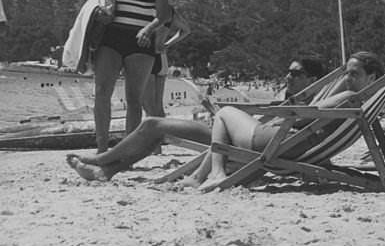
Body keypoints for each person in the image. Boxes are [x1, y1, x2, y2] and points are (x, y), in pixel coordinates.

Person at [66, 58, 330, 183]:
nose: (288, 77)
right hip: (228, 133)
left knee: (152, 126)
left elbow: (293, 137)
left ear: (313, 78)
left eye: (297, 73)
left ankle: (103, 161)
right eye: (288, 71)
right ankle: (106, 170)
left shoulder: (313, 107)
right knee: (154, 127)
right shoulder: (296, 103)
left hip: (235, 141)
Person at [187, 51, 384, 191]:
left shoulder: (348, 96)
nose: (348, 79)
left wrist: (279, 118)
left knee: (225, 112)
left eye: (354, 74)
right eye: (347, 73)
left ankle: (215, 173)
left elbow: (304, 115)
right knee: (228, 120)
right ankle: (197, 176)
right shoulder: (364, 103)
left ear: (371, 77)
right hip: (299, 146)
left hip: (281, 144)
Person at [93, 0, 171, 152]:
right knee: (101, 91)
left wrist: (148, 29)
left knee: (134, 99)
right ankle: (101, 148)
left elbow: (163, 15)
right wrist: (102, 13)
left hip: (141, 41)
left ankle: (126, 151)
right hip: (112, 38)